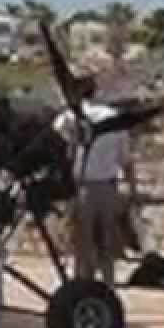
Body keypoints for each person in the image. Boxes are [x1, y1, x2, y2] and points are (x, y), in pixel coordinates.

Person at [53, 75, 135, 286]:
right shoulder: (113, 117)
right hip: (108, 184)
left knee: (82, 242)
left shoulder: (68, 118)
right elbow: (125, 158)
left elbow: (57, 146)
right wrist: (131, 186)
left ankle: (82, 283)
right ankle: (108, 284)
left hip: (80, 185)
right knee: (107, 240)